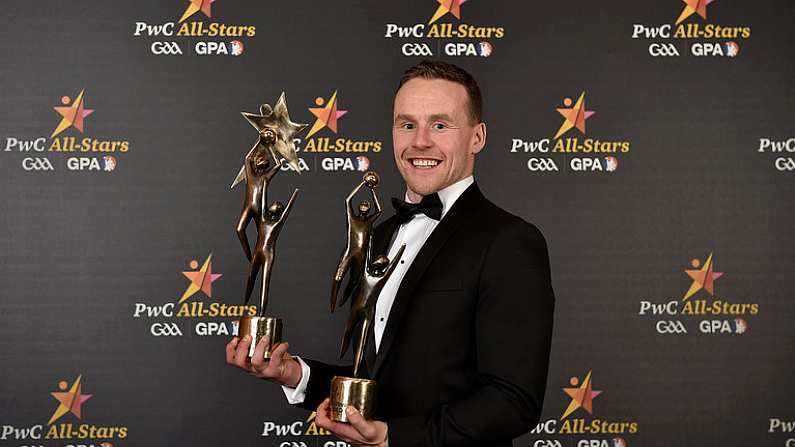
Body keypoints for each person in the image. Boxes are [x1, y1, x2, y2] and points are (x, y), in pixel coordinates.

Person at [226, 60, 555, 447]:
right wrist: (293, 374)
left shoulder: (510, 241)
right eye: (407, 124)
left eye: (440, 124)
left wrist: (393, 438)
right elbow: (377, 381)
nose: (420, 142)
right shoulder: (380, 235)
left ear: (477, 137)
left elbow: (512, 402)